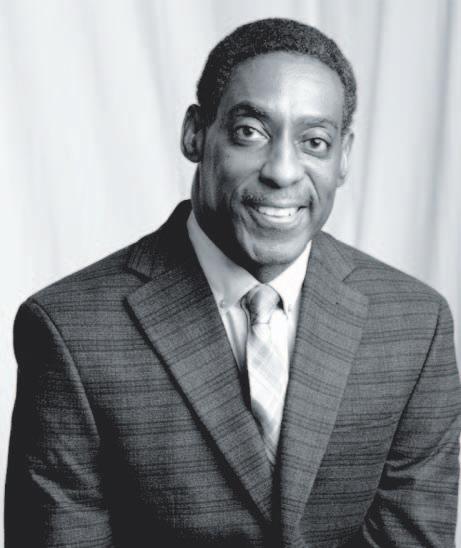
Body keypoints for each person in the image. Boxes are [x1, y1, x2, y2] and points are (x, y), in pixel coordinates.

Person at [5, 17, 461, 548]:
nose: (283, 171)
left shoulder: (414, 326)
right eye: (251, 132)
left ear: (344, 158)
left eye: (315, 141)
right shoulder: (70, 330)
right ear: (195, 133)